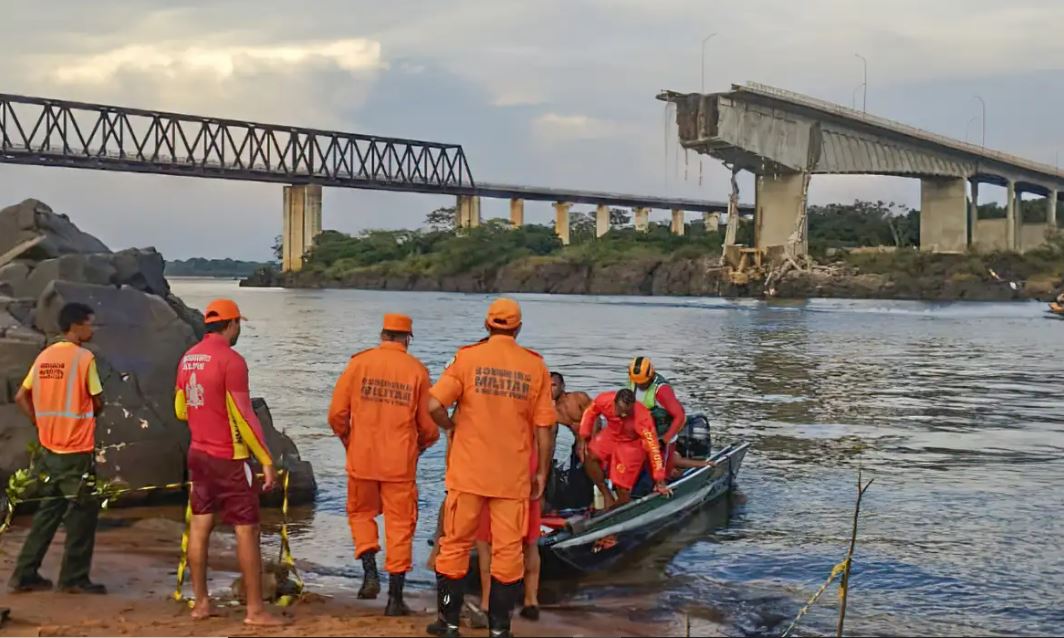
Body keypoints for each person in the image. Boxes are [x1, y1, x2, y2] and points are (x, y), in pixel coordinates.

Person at [426, 298, 556, 638]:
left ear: (487, 325)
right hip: (511, 478)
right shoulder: (535, 367)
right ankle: (500, 629)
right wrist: (541, 472)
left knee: (454, 545)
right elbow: (545, 428)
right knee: (508, 551)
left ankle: (449, 623)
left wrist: (450, 426)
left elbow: (433, 404)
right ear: (518, 328)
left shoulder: (467, 359)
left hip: (468, 474)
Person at [174, 299, 285, 627]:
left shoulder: (188, 357)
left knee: (200, 526)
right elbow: (245, 415)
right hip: (229, 457)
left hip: (198, 454)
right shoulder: (231, 360)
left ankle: (201, 604)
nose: (239, 330)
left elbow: (180, 408)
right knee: (247, 530)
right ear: (232, 324)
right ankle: (255, 611)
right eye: (239, 324)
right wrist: (266, 459)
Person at [327, 313, 439, 616]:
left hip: (361, 459)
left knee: (361, 514)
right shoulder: (417, 371)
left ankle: (369, 572)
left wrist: (351, 441)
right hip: (399, 464)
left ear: (382, 334)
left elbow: (337, 414)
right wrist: (420, 446)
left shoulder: (358, 364)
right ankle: (395, 599)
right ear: (408, 339)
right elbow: (428, 427)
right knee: (400, 527)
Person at [9, 302, 106, 595]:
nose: (93, 329)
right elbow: (97, 401)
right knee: (82, 513)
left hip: (49, 448)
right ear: (76, 326)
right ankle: (74, 578)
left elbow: (20, 396)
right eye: (90, 323)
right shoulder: (84, 359)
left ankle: (24, 572)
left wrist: (40, 423)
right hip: (75, 449)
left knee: (48, 512)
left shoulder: (45, 357)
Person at [579, 389, 670, 510]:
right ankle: (606, 493)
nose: (623, 415)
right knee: (589, 454)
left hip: (631, 443)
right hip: (612, 433)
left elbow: (653, 449)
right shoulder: (604, 400)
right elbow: (590, 412)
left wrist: (659, 480)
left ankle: (614, 510)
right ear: (614, 403)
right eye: (620, 411)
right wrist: (584, 436)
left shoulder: (642, 418)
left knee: (622, 488)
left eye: (627, 412)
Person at [627, 356, 687, 472]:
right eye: (637, 383)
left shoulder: (662, 390)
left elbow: (679, 416)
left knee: (661, 472)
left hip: (662, 435)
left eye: (643, 383)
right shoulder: (633, 382)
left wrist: (665, 440)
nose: (640, 385)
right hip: (643, 435)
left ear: (650, 375)